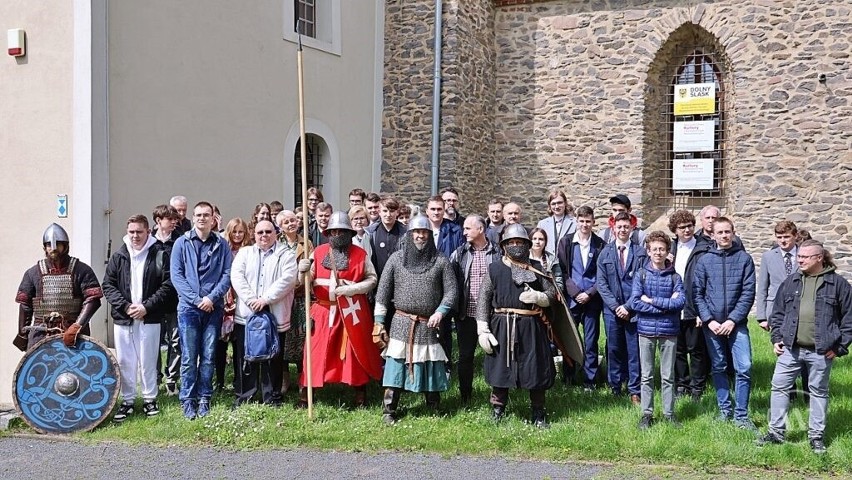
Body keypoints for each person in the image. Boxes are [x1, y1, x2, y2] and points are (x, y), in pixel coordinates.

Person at [757, 240, 852, 454]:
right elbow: (778, 314)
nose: (799, 259)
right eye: (799, 256)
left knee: (818, 391)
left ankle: (816, 437)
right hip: (790, 348)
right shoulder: (791, 282)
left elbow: (849, 319)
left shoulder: (837, 284)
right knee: (779, 387)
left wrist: (839, 347)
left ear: (819, 258)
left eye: (805, 257)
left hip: (821, 350)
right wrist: (776, 339)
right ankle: (776, 433)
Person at [374, 215, 458, 425]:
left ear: (430, 235)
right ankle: (389, 410)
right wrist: (379, 321)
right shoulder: (396, 259)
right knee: (395, 368)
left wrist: (440, 312)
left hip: (428, 323)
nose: (421, 236)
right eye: (417, 232)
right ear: (410, 235)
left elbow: (451, 292)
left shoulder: (440, 260)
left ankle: (433, 406)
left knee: (431, 364)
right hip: (402, 323)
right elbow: (382, 293)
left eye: (425, 232)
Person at [298, 212, 382, 408]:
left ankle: (359, 391)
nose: (337, 234)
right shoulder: (318, 252)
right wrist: (302, 271)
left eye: (341, 231)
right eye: (333, 231)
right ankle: (307, 391)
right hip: (322, 310)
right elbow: (305, 282)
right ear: (328, 233)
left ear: (348, 233)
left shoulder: (360, 254)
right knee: (315, 352)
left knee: (353, 352)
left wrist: (351, 289)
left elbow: (372, 279)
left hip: (349, 311)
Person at [476, 223, 557, 428]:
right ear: (504, 245)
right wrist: (482, 329)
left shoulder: (537, 268)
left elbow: (553, 296)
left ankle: (538, 413)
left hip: (531, 327)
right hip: (502, 326)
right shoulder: (494, 269)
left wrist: (539, 297)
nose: (515, 246)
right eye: (511, 242)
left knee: (535, 369)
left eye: (519, 242)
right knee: (500, 369)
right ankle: (498, 410)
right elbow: (484, 299)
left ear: (526, 245)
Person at [102, 215, 176, 421]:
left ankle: (149, 398)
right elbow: (108, 285)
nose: (135, 236)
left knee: (148, 359)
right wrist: (125, 307)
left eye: (139, 232)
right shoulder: (119, 256)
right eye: (131, 231)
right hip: (124, 318)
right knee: (126, 361)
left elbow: (168, 285)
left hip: (149, 317)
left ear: (148, 232)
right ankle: (127, 401)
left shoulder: (159, 254)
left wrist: (146, 306)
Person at [693, 216, 757, 430]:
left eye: (727, 232)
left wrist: (732, 320)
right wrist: (709, 320)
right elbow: (697, 294)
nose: (724, 236)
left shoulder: (744, 259)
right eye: (719, 232)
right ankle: (724, 411)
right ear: (713, 235)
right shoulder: (704, 260)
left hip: (736, 324)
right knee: (718, 366)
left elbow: (748, 293)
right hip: (712, 325)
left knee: (744, 367)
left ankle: (741, 415)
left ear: (733, 232)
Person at [170, 201, 233, 420]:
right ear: (193, 218)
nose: (202, 218)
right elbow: (176, 276)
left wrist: (211, 298)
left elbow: (227, 275)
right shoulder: (181, 243)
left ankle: (204, 396)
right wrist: (197, 300)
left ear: (214, 218)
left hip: (213, 309)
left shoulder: (221, 244)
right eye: (198, 215)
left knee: (208, 357)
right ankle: (188, 399)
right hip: (189, 309)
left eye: (206, 215)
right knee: (189, 356)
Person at [230, 220, 297, 407]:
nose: (264, 235)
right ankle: (246, 395)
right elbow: (237, 276)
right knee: (246, 357)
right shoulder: (245, 253)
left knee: (273, 357)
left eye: (268, 231)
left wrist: (265, 300)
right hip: (247, 315)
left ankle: (272, 396)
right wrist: (252, 299)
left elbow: (288, 279)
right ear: (254, 234)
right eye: (260, 232)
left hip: (275, 315)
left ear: (276, 233)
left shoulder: (286, 254)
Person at [14, 223, 103, 351]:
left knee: (74, 369)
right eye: (49, 245)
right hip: (40, 334)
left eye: (58, 244)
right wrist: (22, 335)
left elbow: (93, 300)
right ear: (44, 247)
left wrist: (76, 327)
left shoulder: (81, 270)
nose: (53, 248)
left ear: (65, 246)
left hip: (72, 334)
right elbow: (25, 305)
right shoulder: (33, 273)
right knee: (39, 369)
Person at [630, 231, 685, 429]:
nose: (658, 253)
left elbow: (680, 302)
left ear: (667, 251)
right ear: (648, 251)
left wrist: (652, 300)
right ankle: (647, 414)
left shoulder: (675, 277)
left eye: (662, 249)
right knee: (646, 375)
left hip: (669, 331)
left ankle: (669, 413)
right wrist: (666, 304)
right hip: (645, 331)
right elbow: (636, 302)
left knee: (668, 376)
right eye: (655, 249)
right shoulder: (641, 275)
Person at [449, 214, 502, 404]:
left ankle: (497, 396)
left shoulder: (498, 253)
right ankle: (466, 396)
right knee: (465, 356)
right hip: (466, 314)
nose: (464, 232)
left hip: (493, 314)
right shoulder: (460, 253)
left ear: (480, 229)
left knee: (496, 355)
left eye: (467, 228)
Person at [596, 212, 647, 403]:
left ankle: (635, 390)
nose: (623, 230)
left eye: (626, 227)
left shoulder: (641, 253)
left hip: (634, 311)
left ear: (632, 228)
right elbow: (601, 284)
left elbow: (643, 282)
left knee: (634, 351)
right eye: (619, 227)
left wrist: (628, 306)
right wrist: (617, 307)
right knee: (614, 349)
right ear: (613, 228)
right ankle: (615, 387)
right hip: (612, 311)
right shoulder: (605, 254)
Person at [757, 220, 808, 399]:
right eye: (779, 237)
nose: (783, 241)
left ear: (795, 236)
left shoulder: (804, 255)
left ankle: (808, 392)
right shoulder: (768, 257)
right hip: (777, 309)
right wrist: (762, 316)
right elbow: (763, 286)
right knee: (783, 350)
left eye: (786, 237)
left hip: (801, 308)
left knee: (804, 349)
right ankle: (790, 393)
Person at [556, 206, 605, 389]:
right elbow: (562, 270)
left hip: (592, 301)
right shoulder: (566, 243)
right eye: (581, 221)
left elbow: (602, 275)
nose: (585, 225)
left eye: (588, 221)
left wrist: (590, 293)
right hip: (572, 300)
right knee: (570, 340)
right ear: (576, 221)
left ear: (593, 222)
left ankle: (590, 380)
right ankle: (568, 377)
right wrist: (575, 293)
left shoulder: (600, 245)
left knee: (591, 341)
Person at [668, 210, 710, 402]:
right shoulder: (671, 249)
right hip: (674, 308)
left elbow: (708, 282)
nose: (687, 230)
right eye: (682, 227)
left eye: (689, 226)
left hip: (695, 307)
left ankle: (697, 387)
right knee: (678, 349)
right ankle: (681, 385)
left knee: (697, 350)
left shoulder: (704, 248)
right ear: (675, 230)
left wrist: (703, 311)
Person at [425, 195, 464, 369]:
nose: (436, 212)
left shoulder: (455, 231)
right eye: (433, 209)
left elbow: (460, 258)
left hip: (446, 285)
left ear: (444, 210)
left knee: (445, 328)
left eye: (439, 209)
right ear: (427, 211)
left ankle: (446, 364)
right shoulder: (419, 229)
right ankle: (426, 363)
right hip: (423, 285)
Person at [277, 210, 313, 393]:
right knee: (282, 339)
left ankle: (302, 378)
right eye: (286, 222)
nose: (290, 224)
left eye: (292, 220)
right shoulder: (276, 243)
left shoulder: (306, 243)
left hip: (299, 299)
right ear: (280, 226)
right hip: (281, 298)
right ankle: (284, 379)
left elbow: (312, 271)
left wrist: (302, 278)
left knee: (301, 339)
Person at [217, 218, 250, 392]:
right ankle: (220, 381)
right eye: (234, 232)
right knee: (220, 344)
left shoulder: (249, 251)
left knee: (239, 344)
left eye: (241, 232)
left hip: (241, 299)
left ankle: (240, 380)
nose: (237, 235)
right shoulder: (223, 250)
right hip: (224, 299)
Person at [152, 204, 182, 395]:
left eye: (175, 219)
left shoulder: (179, 241)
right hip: (153, 302)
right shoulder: (148, 243)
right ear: (158, 221)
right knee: (154, 342)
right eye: (169, 219)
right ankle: (154, 378)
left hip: (174, 301)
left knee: (176, 341)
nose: (173, 222)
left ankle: (172, 379)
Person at [367, 196, 406, 280]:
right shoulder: (370, 233)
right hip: (377, 282)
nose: (388, 215)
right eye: (385, 211)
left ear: (397, 212)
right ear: (379, 212)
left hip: (399, 281)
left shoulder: (405, 233)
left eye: (392, 211)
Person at [536, 189, 576, 256]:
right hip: (548, 263)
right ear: (549, 206)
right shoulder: (542, 224)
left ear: (565, 203)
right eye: (553, 204)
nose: (557, 207)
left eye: (560, 203)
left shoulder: (575, 223)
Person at [529, 228, 563, 294]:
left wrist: (551, 294)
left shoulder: (552, 260)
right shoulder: (523, 258)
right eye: (534, 239)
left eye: (541, 239)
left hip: (548, 298)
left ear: (545, 242)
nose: (537, 242)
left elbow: (559, 283)